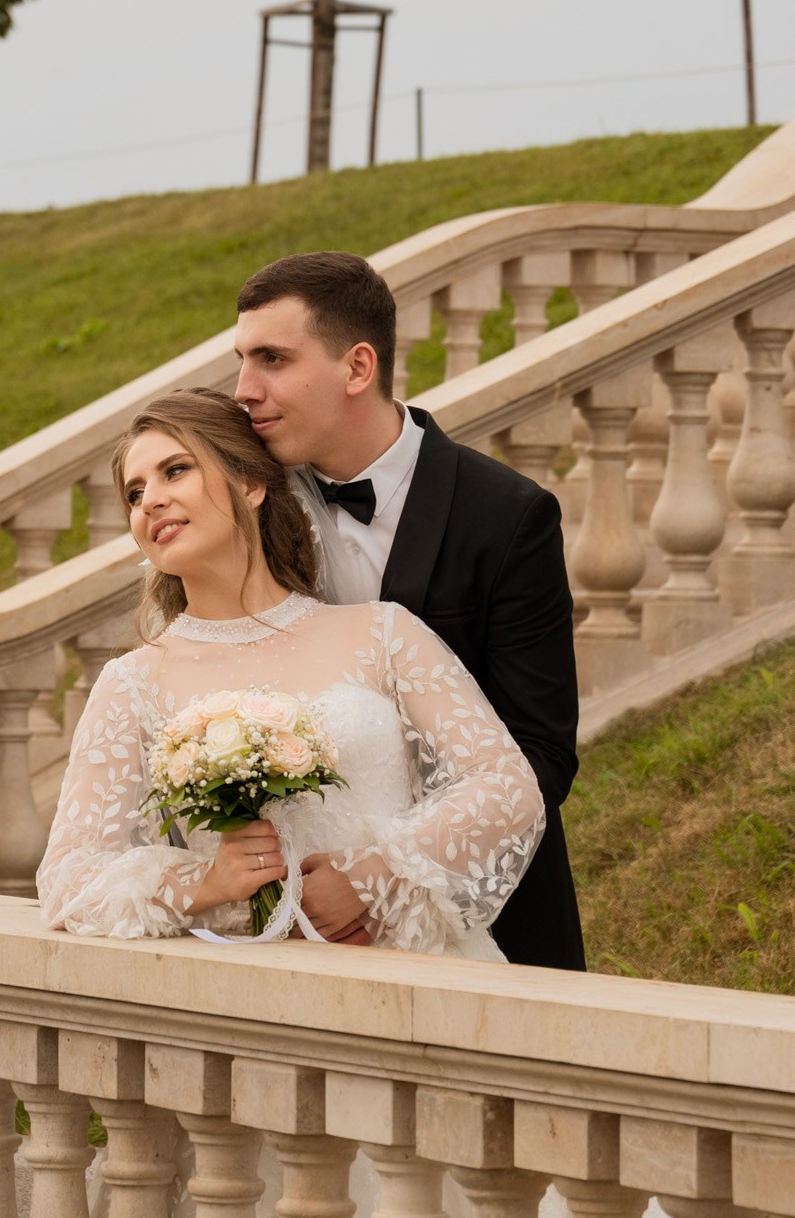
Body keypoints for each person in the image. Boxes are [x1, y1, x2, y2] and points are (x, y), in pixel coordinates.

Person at [37, 388, 545, 957]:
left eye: (175, 471)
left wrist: (371, 878)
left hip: (416, 973)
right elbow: (67, 878)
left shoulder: (382, 634)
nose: (149, 501)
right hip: (254, 989)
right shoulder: (131, 683)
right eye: (134, 493)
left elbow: (508, 788)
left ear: (251, 485)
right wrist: (206, 884)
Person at [232, 249, 586, 970]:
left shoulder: (509, 517)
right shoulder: (242, 504)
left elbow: (542, 752)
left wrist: (384, 872)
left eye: (272, 359)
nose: (244, 388)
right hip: (292, 923)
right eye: (241, 360)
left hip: (481, 914)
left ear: (358, 368)